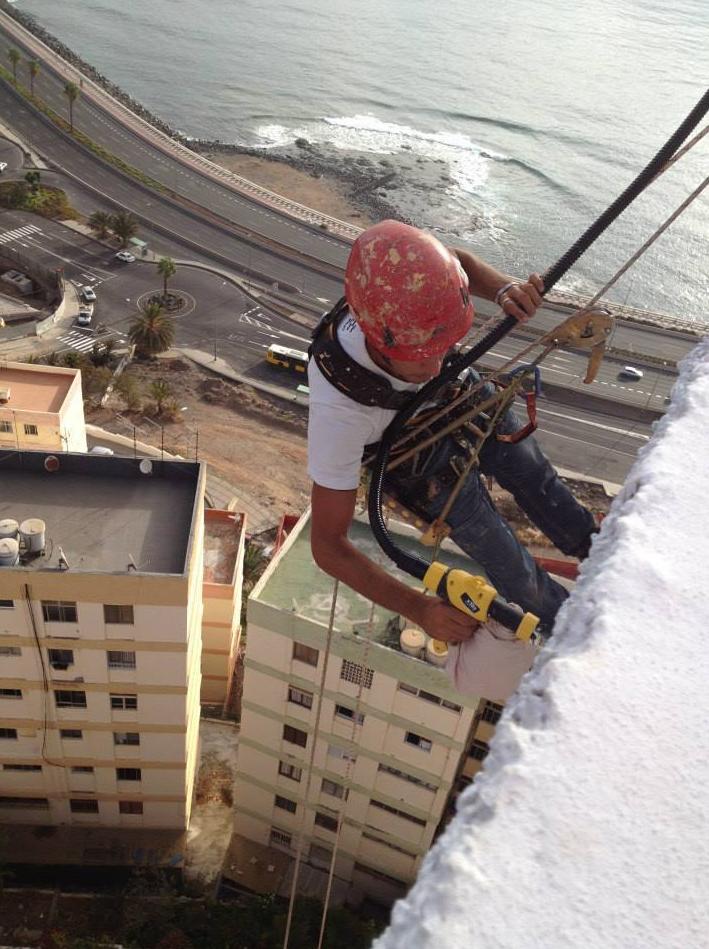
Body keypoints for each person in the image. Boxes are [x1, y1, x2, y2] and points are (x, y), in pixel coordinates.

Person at [307, 220, 597, 645]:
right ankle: (574, 631)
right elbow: (328, 545)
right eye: (427, 354)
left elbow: (453, 263)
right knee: (509, 564)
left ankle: (594, 547)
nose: (441, 359)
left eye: (446, 345)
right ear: (381, 346)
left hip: (461, 400)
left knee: (534, 475)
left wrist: (503, 289)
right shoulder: (340, 415)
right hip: (420, 464)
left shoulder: (397, 291)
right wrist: (419, 608)